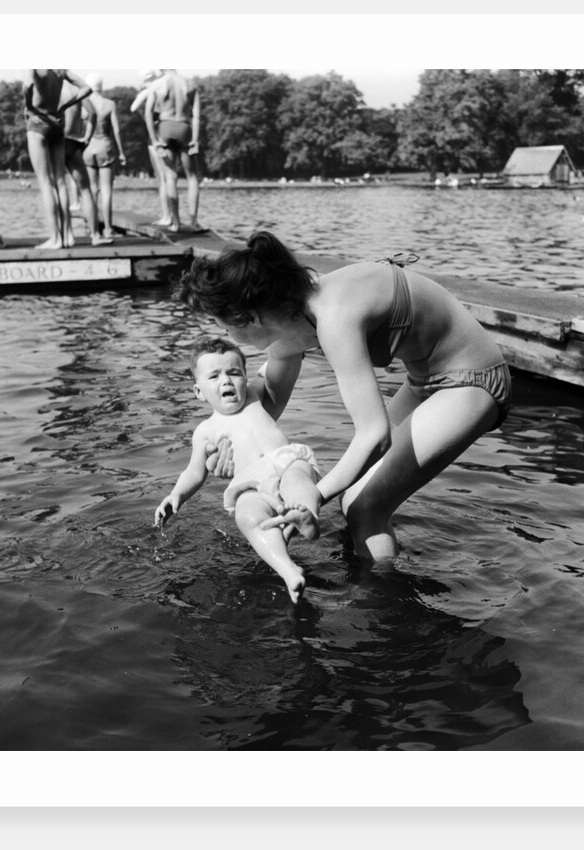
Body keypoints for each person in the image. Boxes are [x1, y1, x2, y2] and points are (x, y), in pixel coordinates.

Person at [174, 231, 512, 562]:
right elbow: (267, 405)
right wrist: (225, 443)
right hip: (425, 380)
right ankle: (372, 585)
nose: (226, 335)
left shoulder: (333, 317)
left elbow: (374, 434)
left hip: (472, 380)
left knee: (364, 506)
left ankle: (381, 610)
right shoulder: (291, 317)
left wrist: (312, 498)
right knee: (353, 498)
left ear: (251, 318)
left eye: (224, 327)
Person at [154, 337, 322, 603]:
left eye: (234, 373)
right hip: (250, 483)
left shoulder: (256, 395)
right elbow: (195, 472)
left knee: (297, 478)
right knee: (247, 516)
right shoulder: (205, 432)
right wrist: (176, 495)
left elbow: (278, 359)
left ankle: (307, 518)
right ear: (198, 392)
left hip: (284, 460)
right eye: (214, 376)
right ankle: (288, 571)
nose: (227, 381)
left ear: (246, 377)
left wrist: (289, 337)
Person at [24, 69, 92, 249]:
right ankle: (68, 235)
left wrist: (28, 105)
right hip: (56, 123)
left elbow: (27, 84)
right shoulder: (61, 70)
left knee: (46, 183)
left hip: (38, 122)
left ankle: (55, 239)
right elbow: (86, 89)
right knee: (61, 182)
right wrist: (65, 105)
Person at [144, 69, 202, 232]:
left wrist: (154, 140)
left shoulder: (157, 84)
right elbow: (196, 115)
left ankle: (175, 223)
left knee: (170, 176)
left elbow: (147, 113)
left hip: (165, 127)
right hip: (184, 127)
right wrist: (195, 139)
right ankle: (193, 222)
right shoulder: (190, 84)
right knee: (192, 177)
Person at [62, 82, 112, 246]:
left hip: (58, 142)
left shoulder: (51, 88)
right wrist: (86, 138)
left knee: (60, 186)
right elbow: (92, 113)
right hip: (75, 141)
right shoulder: (75, 89)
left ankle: (68, 235)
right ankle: (96, 235)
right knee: (86, 190)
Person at [83, 73, 127, 239]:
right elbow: (116, 130)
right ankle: (108, 229)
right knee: (106, 192)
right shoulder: (109, 104)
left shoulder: (83, 104)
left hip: (88, 148)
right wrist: (121, 152)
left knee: (92, 191)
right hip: (105, 147)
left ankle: (92, 228)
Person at [130, 69, 170, 226]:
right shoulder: (165, 87)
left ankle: (166, 216)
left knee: (161, 177)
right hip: (167, 128)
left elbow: (133, 108)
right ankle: (171, 215)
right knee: (169, 176)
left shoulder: (149, 90)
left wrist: (146, 120)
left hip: (154, 134)